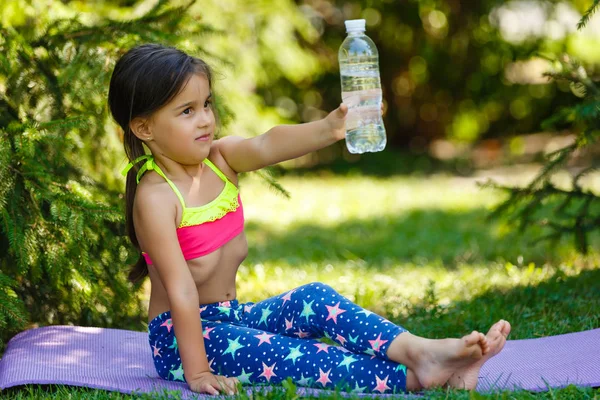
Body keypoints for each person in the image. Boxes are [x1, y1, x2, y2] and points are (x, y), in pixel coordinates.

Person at [108, 43, 511, 396]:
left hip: (229, 317)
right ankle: (421, 378)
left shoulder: (219, 159)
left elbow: (268, 143)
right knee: (297, 358)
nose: (205, 120)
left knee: (313, 298)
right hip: (181, 340)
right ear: (144, 127)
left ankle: (419, 351)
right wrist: (197, 372)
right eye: (187, 111)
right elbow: (180, 292)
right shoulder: (156, 198)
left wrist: (331, 128)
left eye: (207, 104)